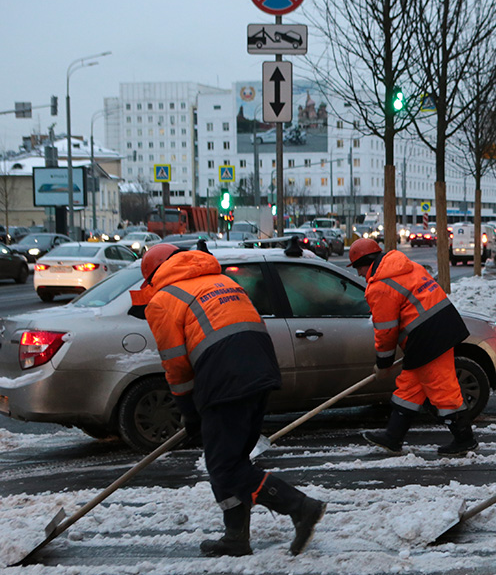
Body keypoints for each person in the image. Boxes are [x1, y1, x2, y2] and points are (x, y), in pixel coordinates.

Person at [131, 243, 326, 557]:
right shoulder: (223, 282)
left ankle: (299, 506)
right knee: (231, 461)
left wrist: (187, 411)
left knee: (224, 467)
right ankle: (235, 536)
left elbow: (176, 364)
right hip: (260, 367)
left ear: (153, 276)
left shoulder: (163, 300)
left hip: (224, 376)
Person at [349, 238, 477, 457]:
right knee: (409, 388)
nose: (359, 274)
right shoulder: (407, 266)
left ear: (365, 263)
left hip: (429, 338)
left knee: (443, 388)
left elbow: (386, 331)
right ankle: (393, 437)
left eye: (358, 268)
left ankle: (464, 439)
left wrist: (383, 363)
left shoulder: (380, 287)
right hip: (440, 328)